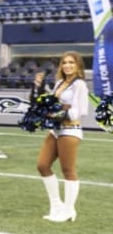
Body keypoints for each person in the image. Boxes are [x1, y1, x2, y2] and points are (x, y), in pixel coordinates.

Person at [37, 51, 88, 223]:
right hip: (55, 130)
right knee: (42, 165)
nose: (67, 65)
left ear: (78, 65)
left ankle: (69, 210)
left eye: (71, 62)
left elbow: (80, 111)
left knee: (68, 171)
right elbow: (51, 102)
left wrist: (58, 111)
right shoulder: (59, 82)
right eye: (65, 62)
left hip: (70, 131)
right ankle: (56, 205)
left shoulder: (80, 84)